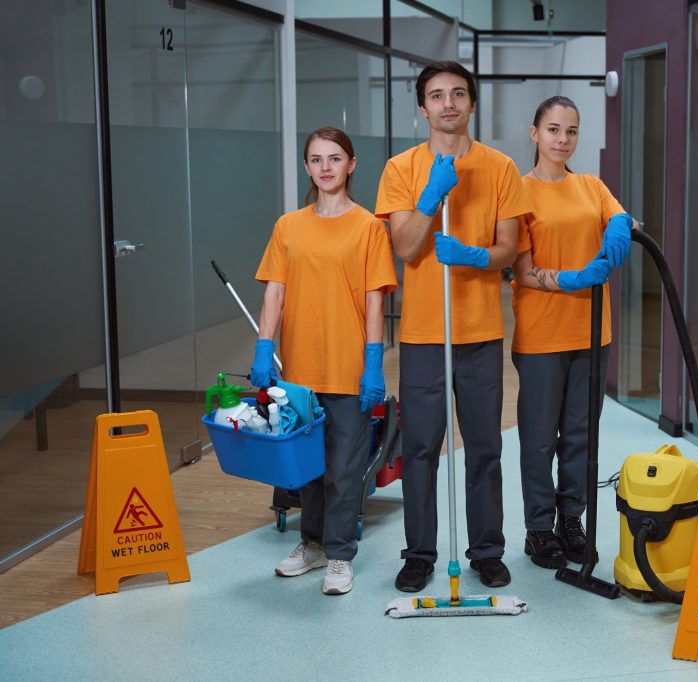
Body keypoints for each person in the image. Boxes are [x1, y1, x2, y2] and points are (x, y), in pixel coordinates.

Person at [375, 61, 532, 592]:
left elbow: (508, 250)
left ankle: (487, 550)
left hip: (480, 332)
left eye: (458, 94)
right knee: (420, 449)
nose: (448, 104)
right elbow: (405, 246)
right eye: (437, 96)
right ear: (423, 107)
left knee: (484, 447)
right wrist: (430, 197)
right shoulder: (400, 169)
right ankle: (419, 553)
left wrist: (471, 255)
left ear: (470, 103)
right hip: (422, 335)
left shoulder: (501, 168)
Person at [250, 127, 397, 595]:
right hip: (299, 369)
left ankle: (338, 555)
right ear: (308, 167)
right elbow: (276, 289)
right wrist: (262, 346)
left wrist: (372, 363)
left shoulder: (369, 227)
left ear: (351, 165)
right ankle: (310, 546)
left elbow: (375, 300)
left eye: (335, 158)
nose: (326, 167)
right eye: (316, 159)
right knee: (306, 467)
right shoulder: (288, 226)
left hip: (349, 367)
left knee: (343, 467)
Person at [511, 96, 634, 568]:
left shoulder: (591, 185)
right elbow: (522, 271)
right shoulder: (519, 192)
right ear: (535, 133)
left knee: (581, 434)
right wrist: (569, 279)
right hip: (542, 335)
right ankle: (539, 529)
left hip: (591, 333)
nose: (563, 140)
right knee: (540, 438)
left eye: (572, 131)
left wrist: (620, 226)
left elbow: (618, 215)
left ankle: (571, 520)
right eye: (554, 129)